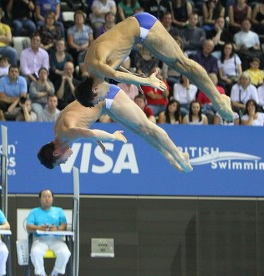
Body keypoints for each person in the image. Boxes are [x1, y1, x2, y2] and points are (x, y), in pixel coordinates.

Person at [82, 11, 234, 121]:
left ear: (95, 90)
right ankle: (218, 98)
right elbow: (113, 65)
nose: (104, 96)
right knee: (182, 66)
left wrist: (145, 81)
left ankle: (219, 101)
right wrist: (135, 76)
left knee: (183, 64)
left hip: (143, 28)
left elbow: (114, 75)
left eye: (99, 99)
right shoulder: (91, 68)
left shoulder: (97, 65)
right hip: (138, 28)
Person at [37, 80, 192, 172]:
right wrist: (98, 142)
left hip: (108, 97)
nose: (64, 162)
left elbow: (91, 133)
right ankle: (169, 156)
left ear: (56, 154)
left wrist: (112, 137)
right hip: (105, 105)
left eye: (60, 162)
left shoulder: (67, 134)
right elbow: (81, 121)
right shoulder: (58, 131)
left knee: (147, 126)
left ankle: (179, 156)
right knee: (140, 132)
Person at [26, 189, 71, 276]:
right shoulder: (34, 211)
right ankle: (41, 275)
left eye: (49, 196)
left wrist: (57, 228)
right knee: (35, 252)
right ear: (40, 199)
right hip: (40, 239)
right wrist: (39, 227)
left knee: (65, 253)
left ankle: (54, 274)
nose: (47, 198)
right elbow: (28, 226)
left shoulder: (59, 211)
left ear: (52, 199)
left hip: (56, 239)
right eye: (44, 196)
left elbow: (64, 225)